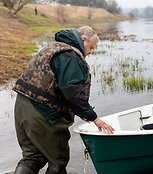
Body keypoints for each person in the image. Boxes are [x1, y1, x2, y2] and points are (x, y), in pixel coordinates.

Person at [13, 26, 115, 174]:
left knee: (33, 156)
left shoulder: (54, 47)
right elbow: (72, 93)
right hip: (43, 113)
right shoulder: (70, 56)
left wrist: (82, 112)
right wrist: (94, 118)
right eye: (90, 47)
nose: (90, 52)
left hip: (21, 106)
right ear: (83, 39)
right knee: (58, 160)